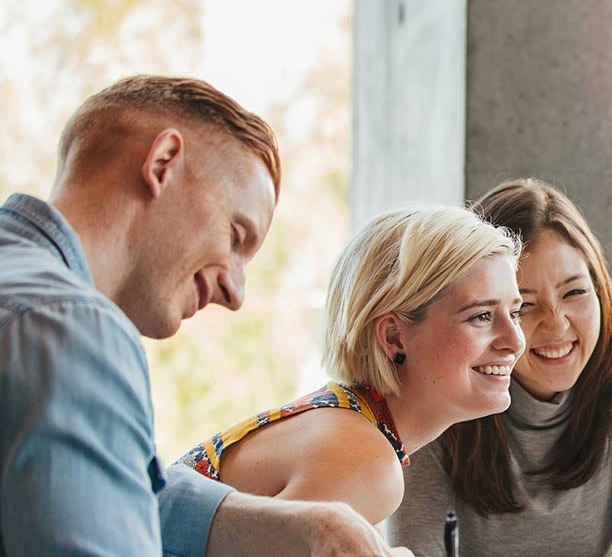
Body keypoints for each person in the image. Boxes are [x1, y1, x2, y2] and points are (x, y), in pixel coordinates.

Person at [0, 75, 486, 557]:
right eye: (236, 235)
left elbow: (127, 502)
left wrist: (317, 523)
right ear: (163, 162)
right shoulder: (70, 328)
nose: (234, 291)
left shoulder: (24, 298)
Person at [390, 178, 612, 557]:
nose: (556, 325)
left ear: (601, 291)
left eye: (575, 292)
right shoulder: (439, 397)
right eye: (524, 305)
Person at [175, 204, 525, 526]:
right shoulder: (364, 463)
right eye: (481, 316)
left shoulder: (349, 422)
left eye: (515, 313)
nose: (516, 341)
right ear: (393, 337)